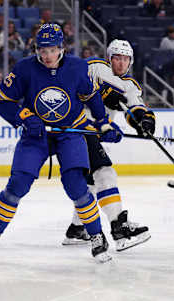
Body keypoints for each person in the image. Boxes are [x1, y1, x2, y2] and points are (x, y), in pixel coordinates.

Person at [0, 23, 112, 263]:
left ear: (61, 48)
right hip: (36, 134)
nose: (47, 55)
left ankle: (97, 236)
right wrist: (24, 116)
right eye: (42, 50)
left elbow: (91, 96)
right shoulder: (24, 69)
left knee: (76, 186)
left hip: (69, 133)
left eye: (51, 50)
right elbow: (2, 102)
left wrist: (103, 123)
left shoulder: (78, 67)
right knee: (17, 184)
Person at [62, 39, 153, 251]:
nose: (120, 63)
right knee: (105, 173)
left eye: (125, 59)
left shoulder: (130, 86)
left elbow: (136, 107)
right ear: (109, 58)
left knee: (93, 184)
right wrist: (105, 93)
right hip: (76, 128)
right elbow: (77, 83)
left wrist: (145, 123)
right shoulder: (96, 67)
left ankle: (76, 229)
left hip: (91, 133)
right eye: (117, 58)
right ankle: (119, 229)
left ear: (130, 62)